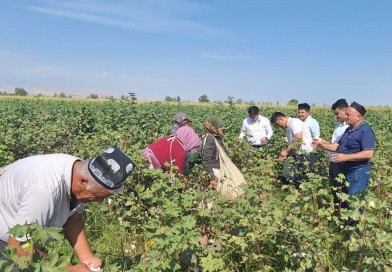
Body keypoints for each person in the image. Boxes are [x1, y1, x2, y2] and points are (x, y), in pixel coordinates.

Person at [0, 147, 135, 272]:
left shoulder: (79, 171)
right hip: (7, 243)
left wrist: (88, 260)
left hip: (25, 241)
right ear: (82, 181)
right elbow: (19, 248)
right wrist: (70, 269)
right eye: (96, 196)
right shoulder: (44, 191)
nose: (99, 202)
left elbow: (73, 217)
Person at [313, 102, 375, 201]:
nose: (345, 117)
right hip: (346, 171)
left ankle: (355, 217)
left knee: (355, 201)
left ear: (359, 117)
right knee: (345, 200)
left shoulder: (365, 131)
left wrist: (346, 157)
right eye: (345, 114)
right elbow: (339, 146)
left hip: (357, 173)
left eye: (348, 115)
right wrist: (323, 145)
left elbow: (368, 153)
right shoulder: (349, 130)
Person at [313, 99, 349, 210]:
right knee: (335, 189)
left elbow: (339, 147)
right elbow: (333, 144)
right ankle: (338, 214)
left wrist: (321, 145)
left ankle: (345, 215)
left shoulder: (350, 128)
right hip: (333, 161)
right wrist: (321, 141)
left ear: (345, 111)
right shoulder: (339, 125)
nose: (336, 116)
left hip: (342, 163)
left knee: (343, 190)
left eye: (337, 113)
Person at [270, 112, 313, 184]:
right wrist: (287, 153)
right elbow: (293, 143)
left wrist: (286, 151)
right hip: (298, 153)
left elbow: (298, 140)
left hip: (306, 153)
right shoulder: (288, 126)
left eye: (277, 124)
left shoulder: (294, 122)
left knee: (306, 177)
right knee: (298, 175)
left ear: (281, 119)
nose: (278, 126)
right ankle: (297, 191)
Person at [200, 115, 228, 189]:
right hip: (215, 173)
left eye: (222, 126)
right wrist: (212, 176)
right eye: (220, 126)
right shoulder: (210, 139)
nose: (222, 128)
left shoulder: (217, 137)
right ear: (213, 127)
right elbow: (206, 160)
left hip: (220, 171)